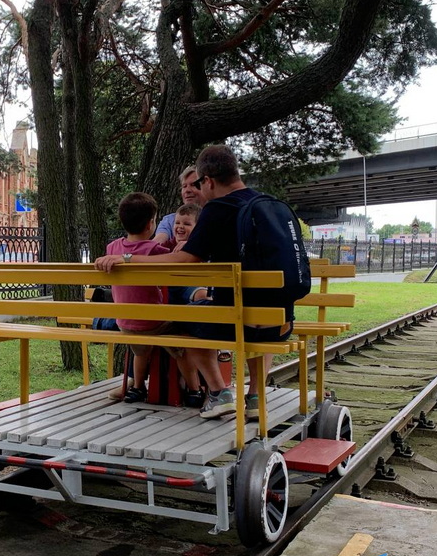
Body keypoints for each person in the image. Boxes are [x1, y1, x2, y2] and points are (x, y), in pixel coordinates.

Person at [95, 145, 292, 419]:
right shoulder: (268, 204)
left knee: (186, 319)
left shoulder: (218, 209)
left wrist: (127, 259)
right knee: (254, 315)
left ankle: (218, 392)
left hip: (234, 322)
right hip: (280, 322)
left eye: (199, 183)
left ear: (208, 181)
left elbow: (186, 260)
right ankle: (255, 397)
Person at [105, 192, 201, 404]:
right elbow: (179, 259)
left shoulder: (112, 249)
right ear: (151, 225)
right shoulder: (155, 250)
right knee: (182, 341)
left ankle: (138, 388)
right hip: (153, 322)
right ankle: (194, 390)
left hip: (125, 322)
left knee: (141, 351)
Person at [152, 166, 204, 245]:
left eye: (193, 185)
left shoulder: (219, 217)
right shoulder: (169, 221)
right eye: (184, 186)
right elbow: (157, 243)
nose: (187, 190)